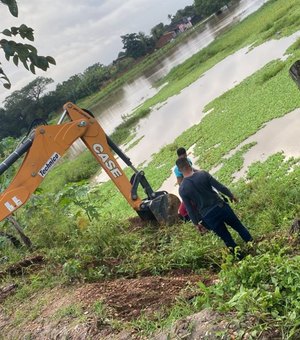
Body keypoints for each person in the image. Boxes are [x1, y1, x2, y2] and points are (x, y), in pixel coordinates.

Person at [176, 157, 253, 256]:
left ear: (179, 170)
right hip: (221, 207)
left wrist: (196, 224)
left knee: (226, 239)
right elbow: (220, 187)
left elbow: (189, 209)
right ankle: (253, 246)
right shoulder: (202, 174)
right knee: (239, 227)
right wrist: (231, 196)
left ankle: (242, 259)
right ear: (189, 164)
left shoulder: (182, 189)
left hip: (208, 216)